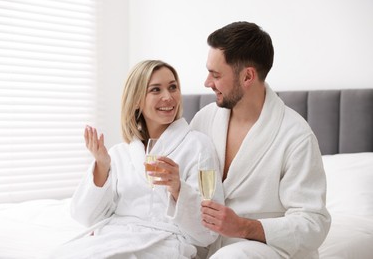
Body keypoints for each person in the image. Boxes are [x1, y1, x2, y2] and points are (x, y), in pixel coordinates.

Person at [51, 60, 223, 258]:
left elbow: (208, 233)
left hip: (165, 243)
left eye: (173, 87)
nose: (168, 97)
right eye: (156, 90)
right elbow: (85, 216)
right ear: (136, 101)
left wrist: (178, 188)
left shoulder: (198, 146)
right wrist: (102, 166)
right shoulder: (119, 154)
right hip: (115, 237)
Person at [190, 21, 331, 258]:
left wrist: (244, 226)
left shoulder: (295, 136)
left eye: (215, 75)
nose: (207, 82)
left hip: (267, 249)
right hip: (209, 245)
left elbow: (313, 223)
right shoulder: (203, 120)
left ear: (247, 76)